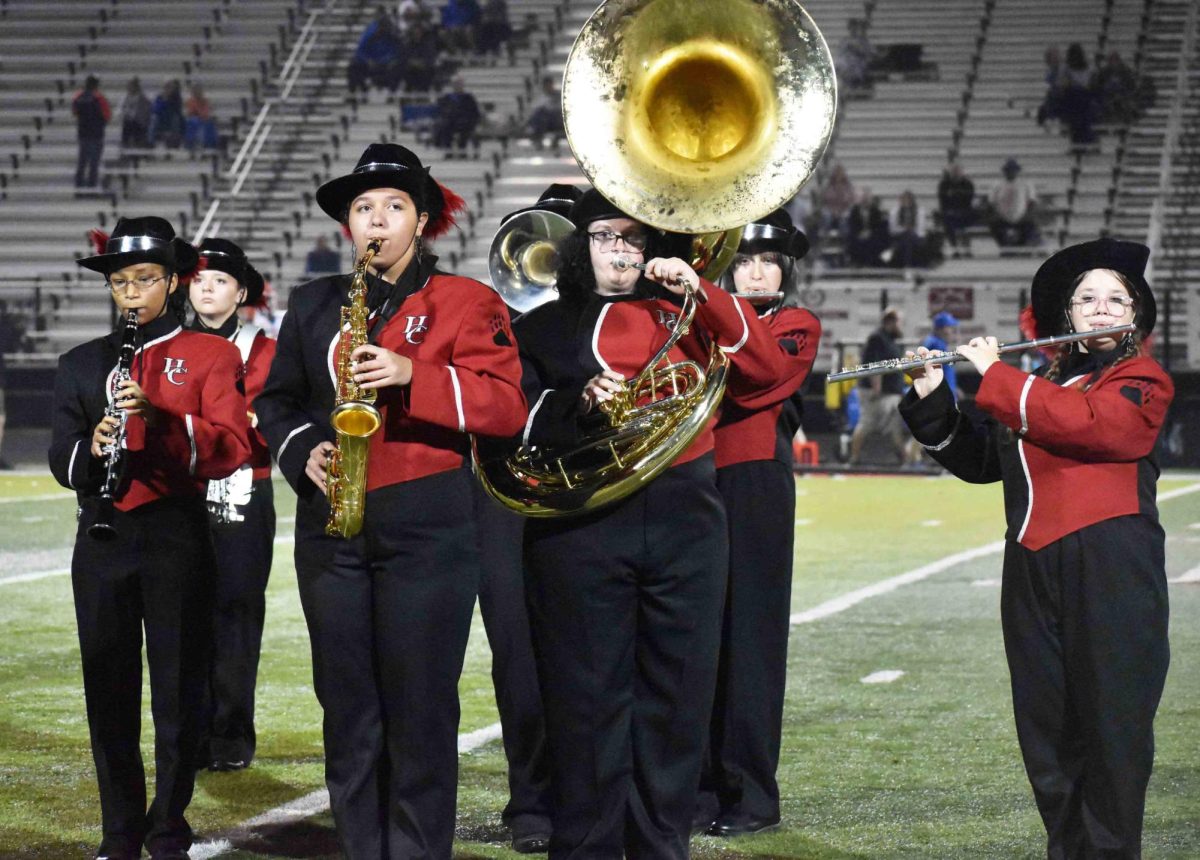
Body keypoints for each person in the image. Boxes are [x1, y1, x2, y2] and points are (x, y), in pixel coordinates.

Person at [255, 142, 527, 858]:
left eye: (394, 207)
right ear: (349, 223)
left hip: (429, 525)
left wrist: (415, 372)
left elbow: (506, 409)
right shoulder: (316, 303)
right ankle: (361, 845)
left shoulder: (468, 302)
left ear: (423, 219)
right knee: (346, 706)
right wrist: (301, 448)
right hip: (331, 525)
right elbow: (277, 401)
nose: (376, 219)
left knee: (420, 706)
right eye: (363, 208)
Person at [510, 188, 784, 857]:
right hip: (581, 528)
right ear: (579, 247)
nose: (621, 251)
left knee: (677, 702)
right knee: (585, 702)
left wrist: (705, 290)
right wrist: (574, 406)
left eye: (634, 239)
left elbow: (769, 372)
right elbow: (503, 418)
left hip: (686, 520)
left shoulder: (687, 314)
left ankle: (662, 842)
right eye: (605, 237)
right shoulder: (543, 325)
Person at [899, 238, 1173, 858]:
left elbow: (1094, 427)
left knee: (1111, 732)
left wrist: (996, 376)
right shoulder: (1049, 381)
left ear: (1136, 311)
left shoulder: (1141, 378)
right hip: (1029, 568)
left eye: (1115, 299)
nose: (1100, 310)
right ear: (1068, 315)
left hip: (1111, 569)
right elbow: (980, 462)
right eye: (1087, 299)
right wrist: (932, 394)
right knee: (1047, 734)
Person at [48, 216, 251, 859]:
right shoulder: (80, 363)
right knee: (107, 689)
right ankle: (119, 831)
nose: (130, 292)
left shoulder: (215, 354)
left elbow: (231, 448)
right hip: (103, 535)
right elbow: (61, 454)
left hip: (175, 535)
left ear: (172, 281)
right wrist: (93, 446)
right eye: (119, 282)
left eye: (143, 279)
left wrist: (159, 419)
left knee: (179, 691)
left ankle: (168, 826)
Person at [698, 209, 821, 837]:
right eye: (740, 261)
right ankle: (694, 787)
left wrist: (711, 302)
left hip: (752, 486)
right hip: (689, 481)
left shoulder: (797, 324)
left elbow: (761, 375)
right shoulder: (701, 318)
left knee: (750, 640)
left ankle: (750, 795)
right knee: (691, 641)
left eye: (766, 262)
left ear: (785, 270)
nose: (752, 273)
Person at [188, 238, 276, 772]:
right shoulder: (168, 347)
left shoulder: (263, 350)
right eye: (198, 280)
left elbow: (261, 424)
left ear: (241, 292)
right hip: (183, 494)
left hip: (245, 488)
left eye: (220, 281)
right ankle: (190, 732)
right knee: (183, 612)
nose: (207, 288)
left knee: (238, 611)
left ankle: (231, 733)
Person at [849, 306, 907, 465]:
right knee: (867, 423)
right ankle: (854, 458)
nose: (901, 325)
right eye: (899, 322)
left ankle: (904, 459)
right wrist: (877, 389)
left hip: (890, 393)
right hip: (877, 392)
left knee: (894, 425)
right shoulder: (877, 338)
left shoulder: (890, 339)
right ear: (891, 321)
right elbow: (875, 365)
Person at [347, 7, 404, 96]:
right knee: (353, 65)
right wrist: (368, 60)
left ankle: (392, 94)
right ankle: (354, 94)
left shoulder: (393, 35)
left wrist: (388, 60)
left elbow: (399, 51)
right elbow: (360, 51)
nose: (382, 28)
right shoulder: (370, 34)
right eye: (380, 25)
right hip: (372, 64)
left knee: (398, 67)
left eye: (384, 26)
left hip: (387, 65)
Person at [988, 158, 1040, 247]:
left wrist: (1025, 215)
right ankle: (1004, 247)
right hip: (1002, 217)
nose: (1011, 172)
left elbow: (1032, 201)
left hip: (1022, 216)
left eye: (1013, 170)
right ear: (1005, 171)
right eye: (1008, 170)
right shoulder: (996, 185)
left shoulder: (1026, 184)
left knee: (1031, 226)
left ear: (1017, 171)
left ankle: (1021, 247)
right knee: (993, 225)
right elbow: (992, 202)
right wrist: (999, 214)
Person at [72, 75, 111, 190]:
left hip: (83, 133)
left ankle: (78, 188)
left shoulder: (78, 96)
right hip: (96, 135)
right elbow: (107, 115)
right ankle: (91, 187)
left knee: (82, 162)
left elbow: (74, 112)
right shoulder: (100, 98)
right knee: (94, 163)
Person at [432, 76, 482, 158]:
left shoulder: (468, 98)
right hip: (450, 122)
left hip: (465, 122)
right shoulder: (447, 97)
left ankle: (463, 151)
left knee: (466, 128)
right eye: (456, 84)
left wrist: (470, 119)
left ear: (463, 85)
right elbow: (441, 110)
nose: (458, 86)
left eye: (459, 84)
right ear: (452, 85)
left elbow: (475, 112)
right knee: (444, 127)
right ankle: (448, 152)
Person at [937, 161, 976, 258]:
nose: (956, 173)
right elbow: (942, 201)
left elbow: (968, 201)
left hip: (964, 211)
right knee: (946, 220)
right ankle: (954, 248)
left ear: (962, 172)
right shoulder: (944, 184)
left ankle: (967, 248)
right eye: (953, 172)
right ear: (950, 173)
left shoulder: (968, 184)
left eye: (958, 171)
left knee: (966, 218)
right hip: (949, 212)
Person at [845, 188, 890, 267]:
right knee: (853, 240)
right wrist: (860, 233)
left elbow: (878, 226)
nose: (865, 200)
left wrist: (869, 233)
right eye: (863, 198)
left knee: (875, 242)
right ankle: (857, 264)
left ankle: (871, 264)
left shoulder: (875, 211)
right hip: (858, 235)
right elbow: (852, 225)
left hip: (872, 235)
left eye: (867, 198)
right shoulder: (854, 211)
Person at [886, 189, 928, 268]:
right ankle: (907, 266)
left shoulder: (919, 211)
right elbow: (892, 229)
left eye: (908, 199)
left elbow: (921, 229)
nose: (906, 202)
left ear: (912, 201)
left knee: (908, 237)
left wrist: (911, 232)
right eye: (904, 199)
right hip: (900, 236)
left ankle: (903, 264)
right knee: (907, 238)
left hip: (916, 237)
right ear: (900, 200)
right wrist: (904, 230)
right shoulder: (895, 211)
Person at [524, 76, 563, 150]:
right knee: (540, 115)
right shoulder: (541, 97)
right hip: (545, 121)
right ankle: (537, 138)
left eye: (550, 85)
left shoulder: (559, 96)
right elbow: (536, 109)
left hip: (557, 119)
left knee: (541, 115)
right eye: (546, 86)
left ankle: (536, 136)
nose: (548, 87)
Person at [119, 77, 152, 151]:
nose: (129, 88)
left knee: (130, 123)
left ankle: (131, 146)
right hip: (129, 122)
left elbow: (145, 113)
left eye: (131, 86)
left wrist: (134, 116)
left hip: (140, 123)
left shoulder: (143, 99)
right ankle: (125, 146)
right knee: (127, 122)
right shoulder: (126, 97)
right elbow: (122, 109)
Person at [149, 80, 185, 148]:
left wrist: (168, 100)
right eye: (166, 87)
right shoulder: (160, 97)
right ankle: (150, 143)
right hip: (161, 120)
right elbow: (155, 110)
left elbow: (177, 110)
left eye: (170, 87)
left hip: (172, 120)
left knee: (176, 119)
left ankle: (174, 143)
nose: (168, 89)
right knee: (154, 119)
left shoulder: (176, 98)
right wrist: (164, 101)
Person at [184, 85, 219, 151]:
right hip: (194, 121)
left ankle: (210, 144)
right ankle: (190, 143)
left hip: (203, 120)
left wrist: (201, 114)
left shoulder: (205, 101)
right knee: (193, 121)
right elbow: (191, 113)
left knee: (210, 124)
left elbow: (205, 113)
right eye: (195, 91)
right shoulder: (190, 101)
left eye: (199, 91)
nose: (197, 93)